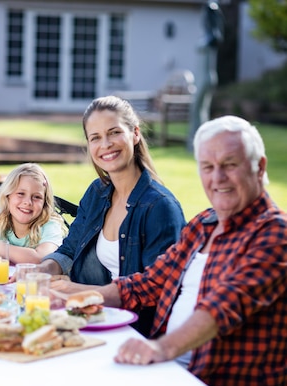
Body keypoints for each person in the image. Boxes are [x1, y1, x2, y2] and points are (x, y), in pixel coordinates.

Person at [52, 115, 287, 386]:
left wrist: (161, 348)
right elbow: (150, 282)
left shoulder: (274, 233)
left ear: (260, 167)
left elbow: (225, 305)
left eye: (230, 164)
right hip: (165, 374)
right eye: (208, 167)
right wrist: (75, 296)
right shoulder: (204, 223)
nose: (218, 178)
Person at [38, 95, 186, 335]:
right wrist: (42, 271)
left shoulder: (160, 207)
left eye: (114, 132)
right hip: (88, 322)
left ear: (135, 134)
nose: (105, 144)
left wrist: (73, 291)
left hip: (135, 333)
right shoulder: (96, 194)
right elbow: (69, 250)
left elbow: (158, 289)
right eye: (95, 137)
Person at [0, 163, 66, 265]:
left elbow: (42, 259)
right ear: (8, 196)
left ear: (44, 203)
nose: (28, 202)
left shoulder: (50, 225)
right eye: (20, 194)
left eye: (37, 197)